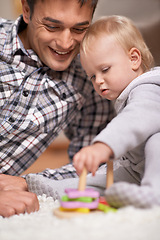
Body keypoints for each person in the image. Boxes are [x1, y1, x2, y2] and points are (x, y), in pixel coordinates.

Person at [0, 0, 114, 217]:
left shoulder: (90, 77)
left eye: (80, 29)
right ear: (26, 10)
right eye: (52, 27)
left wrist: (29, 183)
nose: (65, 43)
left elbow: (96, 167)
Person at [73, 15, 160, 208]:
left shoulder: (148, 87)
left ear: (134, 59)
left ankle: (155, 194)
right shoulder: (125, 97)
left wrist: (103, 145)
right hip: (140, 169)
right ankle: (57, 188)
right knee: (108, 175)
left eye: (105, 69)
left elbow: (137, 119)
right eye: (92, 76)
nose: (98, 81)